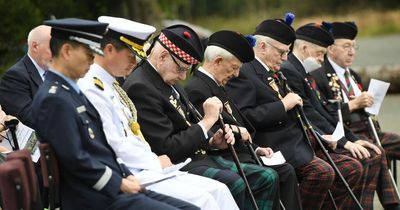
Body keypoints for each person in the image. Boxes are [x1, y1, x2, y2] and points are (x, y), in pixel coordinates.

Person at [31, 17, 200, 210]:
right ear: (67, 51)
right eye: (88, 52)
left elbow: (100, 146)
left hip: (108, 188)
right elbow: (75, 159)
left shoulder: (68, 90)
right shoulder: (54, 98)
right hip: (92, 197)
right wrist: (118, 182)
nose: (92, 59)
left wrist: (124, 174)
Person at [78, 16, 238, 210]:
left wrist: (211, 140)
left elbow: (132, 136)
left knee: (219, 192)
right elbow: (115, 142)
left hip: (150, 165)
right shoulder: (97, 87)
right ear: (110, 50)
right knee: (204, 200)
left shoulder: (111, 84)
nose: (136, 61)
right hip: (134, 171)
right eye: (131, 55)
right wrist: (153, 161)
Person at [123, 24, 279, 210]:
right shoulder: (141, 86)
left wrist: (213, 140)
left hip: (201, 156)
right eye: (181, 68)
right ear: (163, 56)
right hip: (176, 164)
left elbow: (188, 124)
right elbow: (167, 147)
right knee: (235, 183)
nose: (182, 77)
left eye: (186, 70)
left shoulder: (167, 79)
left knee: (266, 177)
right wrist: (207, 122)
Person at [225, 15, 363, 210]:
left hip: (298, 141)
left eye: (287, 52)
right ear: (262, 46)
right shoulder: (245, 72)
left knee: (351, 168)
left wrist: (319, 136)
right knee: (322, 173)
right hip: (273, 145)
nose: (284, 58)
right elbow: (245, 117)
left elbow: (304, 115)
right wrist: (283, 105)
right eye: (281, 52)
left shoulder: (274, 70)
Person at [185, 30, 302, 210]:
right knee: (270, 176)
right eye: (234, 67)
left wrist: (256, 149)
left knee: (286, 171)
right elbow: (211, 132)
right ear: (217, 61)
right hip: (224, 155)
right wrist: (239, 132)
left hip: (242, 151)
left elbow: (237, 122)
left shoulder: (217, 84)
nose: (237, 74)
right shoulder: (197, 88)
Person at [280, 22, 382, 209]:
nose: (321, 59)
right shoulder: (290, 71)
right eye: (319, 53)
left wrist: (351, 139)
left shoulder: (303, 71)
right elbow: (311, 115)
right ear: (303, 48)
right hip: (306, 141)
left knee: (370, 154)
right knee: (356, 164)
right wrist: (345, 142)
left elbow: (325, 112)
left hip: (321, 135)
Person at [311, 21, 400, 210]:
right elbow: (323, 114)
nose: (352, 52)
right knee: (376, 152)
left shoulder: (353, 75)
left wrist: (370, 103)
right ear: (331, 49)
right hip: (348, 131)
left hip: (369, 128)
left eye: (354, 46)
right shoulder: (318, 76)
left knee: (394, 142)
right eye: (346, 46)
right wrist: (352, 105)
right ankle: (391, 204)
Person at [0, 25, 52, 128]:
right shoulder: (14, 77)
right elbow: (30, 119)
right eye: (52, 47)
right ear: (35, 46)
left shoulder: (56, 72)